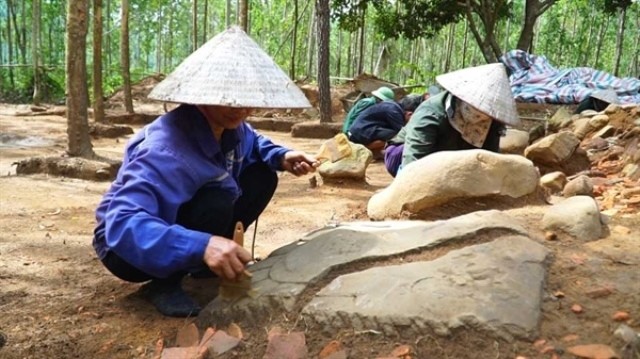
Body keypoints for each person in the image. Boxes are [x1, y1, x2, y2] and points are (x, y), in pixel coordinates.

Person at [93, 27, 318, 317]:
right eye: (229, 98)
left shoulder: (230, 127)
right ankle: (164, 283)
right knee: (216, 200)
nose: (242, 108)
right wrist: (202, 244)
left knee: (262, 175)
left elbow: (254, 142)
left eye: (247, 98)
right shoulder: (164, 150)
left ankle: (203, 265)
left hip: (179, 225)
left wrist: (282, 156)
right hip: (125, 250)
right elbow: (122, 224)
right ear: (200, 94)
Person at [384, 63, 520, 177]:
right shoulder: (431, 113)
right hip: (404, 155)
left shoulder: (492, 122)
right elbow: (413, 161)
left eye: (486, 111)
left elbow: (490, 160)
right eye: (476, 106)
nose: (481, 114)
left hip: (452, 159)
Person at [347, 94, 424, 156]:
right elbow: (403, 135)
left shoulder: (393, 107)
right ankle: (361, 150)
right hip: (359, 133)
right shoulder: (394, 111)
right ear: (410, 114)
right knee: (396, 136)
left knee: (391, 134)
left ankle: (374, 153)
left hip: (359, 131)